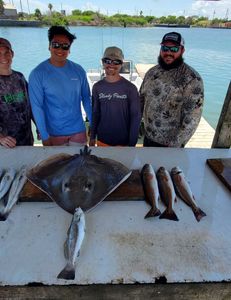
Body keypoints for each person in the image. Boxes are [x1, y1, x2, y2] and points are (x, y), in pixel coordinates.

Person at [28, 26, 92, 146]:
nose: (60, 49)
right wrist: (44, 135)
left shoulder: (79, 70)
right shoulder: (37, 74)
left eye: (65, 46)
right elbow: (37, 107)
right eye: (56, 44)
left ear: (69, 49)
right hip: (53, 134)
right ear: (49, 46)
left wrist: (93, 124)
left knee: (81, 163)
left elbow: (87, 99)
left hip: (78, 131)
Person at [140, 32, 204, 147]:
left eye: (174, 49)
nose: (168, 52)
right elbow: (141, 100)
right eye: (165, 48)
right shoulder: (152, 72)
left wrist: (176, 144)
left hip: (171, 145)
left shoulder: (192, 78)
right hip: (148, 137)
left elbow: (192, 118)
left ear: (182, 50)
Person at [89, 46, 141, 147]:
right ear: (102, 62)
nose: (111, 64)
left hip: (124, 143)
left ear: (121, 64)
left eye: (116, 61)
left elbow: (136, 117)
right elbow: (95, 113)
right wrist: (92, 136)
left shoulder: (131, 88)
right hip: (102, 141)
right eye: (107, 60)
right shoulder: (97, 87)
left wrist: (131, 144)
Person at [0, 38, 34, 148]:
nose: (3, 57)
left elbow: (31, 105)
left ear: (12, 54)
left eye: (6, 53)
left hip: (27, 141)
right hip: (5, 145)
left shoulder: (20, 77)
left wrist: (40, 127)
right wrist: (1, 138)